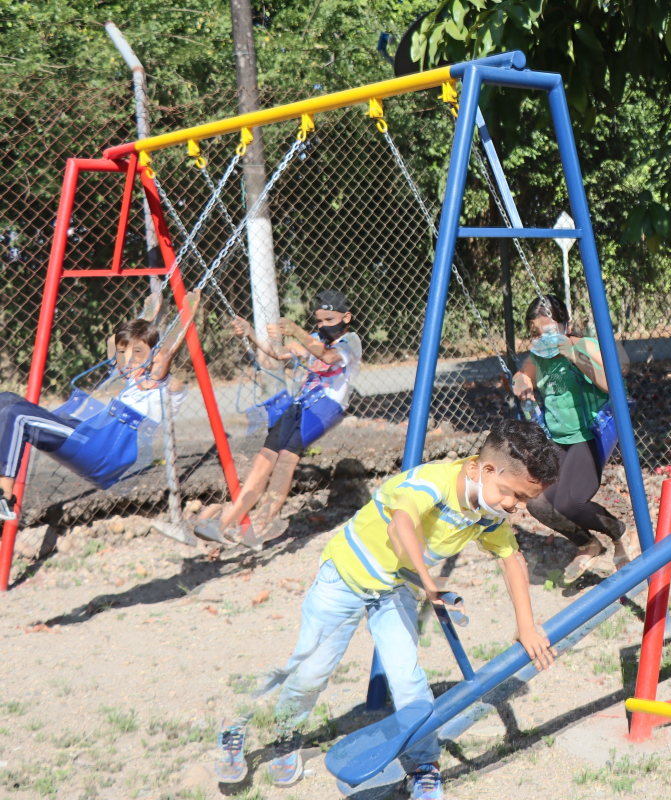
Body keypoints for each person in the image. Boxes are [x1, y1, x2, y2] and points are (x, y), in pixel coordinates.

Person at [212, 419, 561, 797]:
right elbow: (401, 528)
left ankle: (424, 764)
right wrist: (431, 586)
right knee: (309, 670)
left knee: (408, 679)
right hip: (345, 577)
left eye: (523, 500)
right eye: (512, 494)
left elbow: (512, 559)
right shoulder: (432, 483)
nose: (515, 507)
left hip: (395, 589)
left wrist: (526, 626)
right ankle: (253, 723)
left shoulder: (488, 511)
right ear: (484, 469)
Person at [194, 290, 362, 547]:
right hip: (301, 403)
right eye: (319, 320)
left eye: (329, 319)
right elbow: (278, 354)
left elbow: (327, 357)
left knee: (285, 461)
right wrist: (251, 333)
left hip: (326, 408)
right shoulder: (314, 337)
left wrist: (297, 331)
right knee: (262, 462)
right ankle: (224, 525)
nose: (323, 325)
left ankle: (261, 526)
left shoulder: (351, 341)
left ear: (346, 317)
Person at [0, 316, 190, 520]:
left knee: (17, 416)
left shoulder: (166, 388)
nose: (128, 359)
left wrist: (186, 313)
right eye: (125, 352)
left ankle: (4, 496)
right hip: (87, 439)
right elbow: (112, 342)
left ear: (154, 353)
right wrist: (149, 317)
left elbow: (166, 355)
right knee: (6, 399)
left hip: (101, 453)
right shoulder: (131, 378)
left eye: (137, 352)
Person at [511, 295, 638, 582]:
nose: (541, 339)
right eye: (534, 334)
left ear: (565, 326)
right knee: (537, 502)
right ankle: (587, 544)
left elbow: (612, 382)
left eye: (548, 332)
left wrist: (573, 354)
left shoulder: (582, 345)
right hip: (558, 440)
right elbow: (522, 376)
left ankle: (620, 533)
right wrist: (522, 384)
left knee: (570, 502)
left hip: (589, 436)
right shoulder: (537, 358)